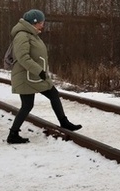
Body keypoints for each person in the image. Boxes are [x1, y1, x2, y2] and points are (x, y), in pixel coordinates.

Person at [7, 9, 82, 144]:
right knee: (27, 105)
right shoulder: (22, 35)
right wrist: (39, 71)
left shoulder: (33, 34)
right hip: (26, 76)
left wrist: (40, 72)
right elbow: (23, 57)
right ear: (34, 22)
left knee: (53, 94)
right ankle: (13, 134)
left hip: (35, 75)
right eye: (41, 22)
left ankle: (64, 122)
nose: (43, 25)